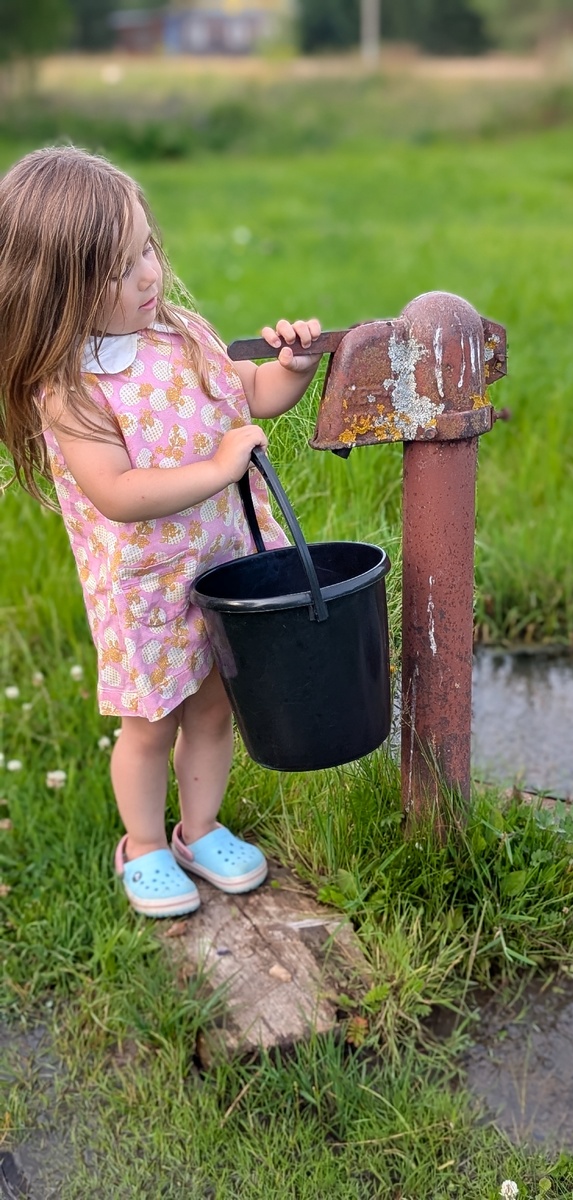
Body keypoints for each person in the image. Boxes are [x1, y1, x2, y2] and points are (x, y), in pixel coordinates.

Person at [0, 146, 323, 918]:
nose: (149, 273)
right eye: (120, 268)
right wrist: (218, 467)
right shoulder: (70, 388)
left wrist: (294, 368)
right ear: (59, 290)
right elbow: (116, 493)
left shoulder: (179, 333)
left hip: (223, 563)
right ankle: (142, 845)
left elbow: (248, 392)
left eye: (147, 247)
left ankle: (199, 829)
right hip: (145, 588)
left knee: (214, 704)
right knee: (151, 724)